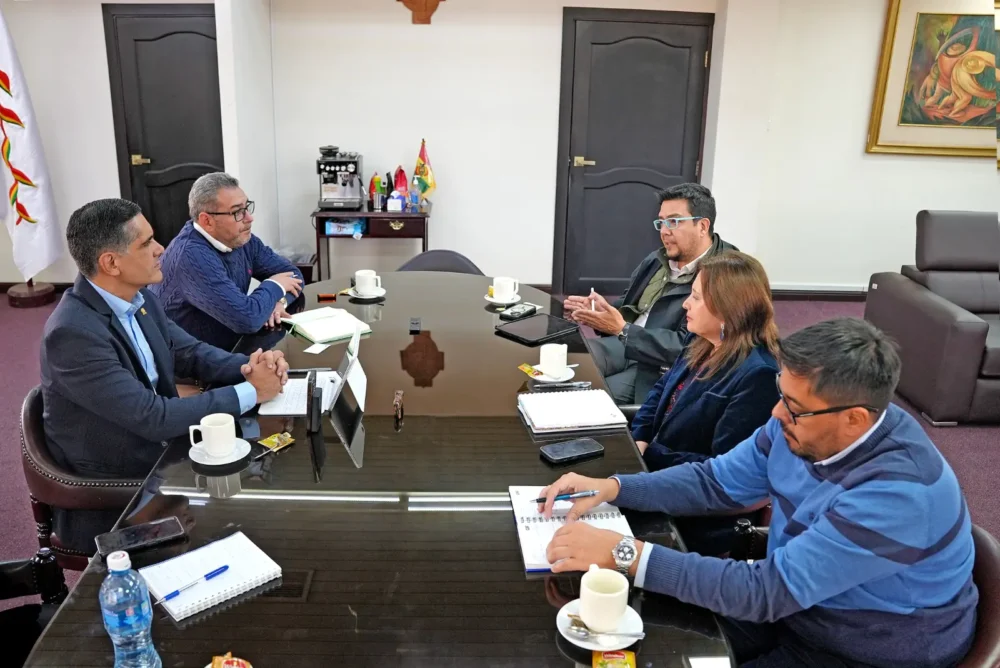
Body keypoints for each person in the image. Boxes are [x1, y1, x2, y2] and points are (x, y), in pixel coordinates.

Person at [537, 317, 977, 668]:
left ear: (855, 419)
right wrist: (614, 487)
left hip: (866, 647)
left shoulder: (900, 495)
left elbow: (766, 592)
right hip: (797, 607)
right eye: (782, 393)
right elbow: (714, 482)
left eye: (794, 406)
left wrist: (625, 554)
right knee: (635, 640)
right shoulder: (800, 424)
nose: (776, 412)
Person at [40, 198, 289, 553]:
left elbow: (190, 352)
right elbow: (153, 417)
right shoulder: (73, 334)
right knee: (246, 532)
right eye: (146, 243)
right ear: (111, 263)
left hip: (161, 456)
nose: (161, 249)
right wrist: (252, 390)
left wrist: (252, 365)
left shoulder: (138, 298)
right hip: (118, 494)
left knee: (265, 493)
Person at [631, 251, 779, 554]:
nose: (686, 304)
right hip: (656, 477)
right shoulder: (700, 340)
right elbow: (660, 390)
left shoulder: (758, 375)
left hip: (698, 513)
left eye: (696, 297)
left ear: (728, 309)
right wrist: (640, 438)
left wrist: (650, 455)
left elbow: (724, 469)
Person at [563, 183, 736, 405]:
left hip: (664, 366)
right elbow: (629, 306)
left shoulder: (725, 272)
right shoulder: (658, 259)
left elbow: (693, 347)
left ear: (702, 226)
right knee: (568, 362)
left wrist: (623, 330)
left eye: (674, 221)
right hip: (627, 342)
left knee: (588, 398)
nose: (664, 231)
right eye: (661, 222)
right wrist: (598, 313)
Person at [150, 172, 304, 352]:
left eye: (247, 207)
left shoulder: (239, 239)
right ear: (207, 221)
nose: (249, 218)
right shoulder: (191, 256)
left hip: (227, 346)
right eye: (237, 212)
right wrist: (274, 285)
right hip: (189, 361)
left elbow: (294, 275)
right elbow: (248, 319)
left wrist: (279, 304)